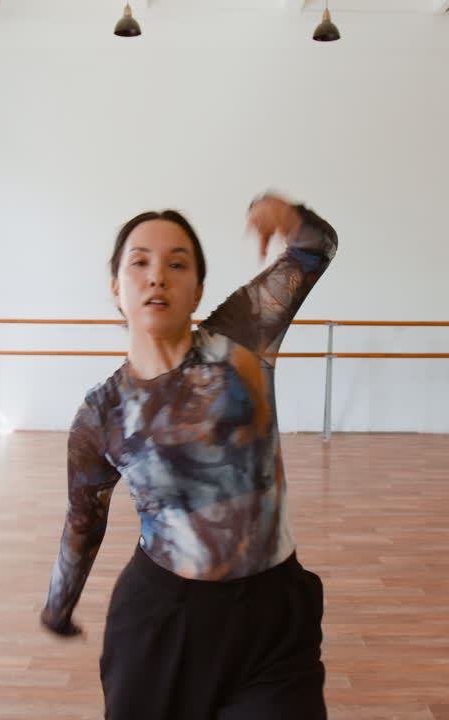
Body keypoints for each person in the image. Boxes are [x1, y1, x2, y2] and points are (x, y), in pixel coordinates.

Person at [40, 191, 338, 719]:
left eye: (177, 264)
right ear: (116, 288)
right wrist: (58, 607)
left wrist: (287, 215)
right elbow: (84, 522)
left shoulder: (242, 336)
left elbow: (317, 246)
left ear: (198, 289)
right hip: (162, 627)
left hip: (273, 622)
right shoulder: (101, 415)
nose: (158, 276)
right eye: (140, 263)